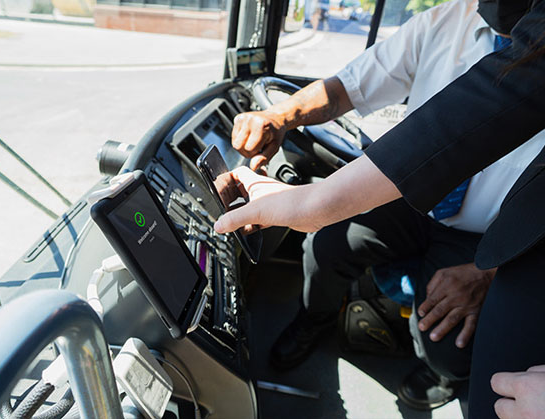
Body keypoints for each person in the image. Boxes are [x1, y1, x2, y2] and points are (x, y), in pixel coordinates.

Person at [215, 0, 545, 416]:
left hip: (494, 236)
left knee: (449, 347)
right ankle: (315, 316)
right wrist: (280, 116)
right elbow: (346, 88)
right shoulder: (445, 21)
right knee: (326, 245)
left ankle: (443, 372)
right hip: (413, 197)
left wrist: (490, 274)